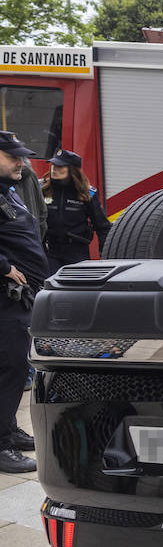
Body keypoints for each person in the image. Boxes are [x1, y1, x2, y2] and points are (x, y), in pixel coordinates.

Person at [0, 132, 49, 473]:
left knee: (17, 369)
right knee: (9, 368)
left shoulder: (8, 191)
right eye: (12, 156)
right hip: (5, 302)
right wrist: (3, 267)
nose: (21, 161)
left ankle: (9, 430)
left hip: (20, 300)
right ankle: (1, 446)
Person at [41, 150, 110, 273]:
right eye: (53, 165)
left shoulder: (87, 193)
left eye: (59, 166)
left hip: (77, 251)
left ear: (72, 170)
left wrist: (105, 257)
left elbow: (102, 227)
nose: (54, 169)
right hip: (50, 250)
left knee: (75, 290)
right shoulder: (42, 189)